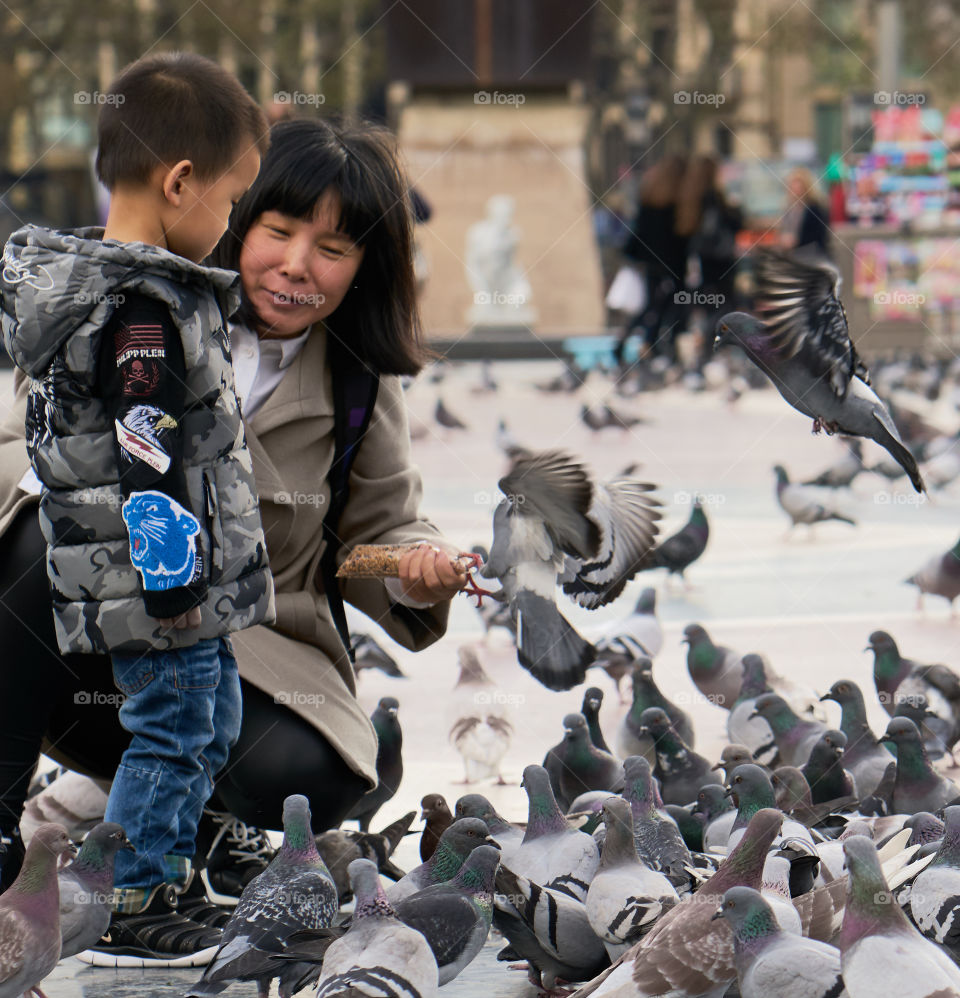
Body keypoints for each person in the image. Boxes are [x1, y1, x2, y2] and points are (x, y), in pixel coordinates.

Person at [0, 111, 467, 963]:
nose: (296, 266)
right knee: (36, 534)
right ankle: (16, 828)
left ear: (368, 265)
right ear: (232, 219)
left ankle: (199, 825)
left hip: (249, 646)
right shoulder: (136, 312)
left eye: (332, 248)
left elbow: (375, 533)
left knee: (306, 776)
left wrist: (412, 569)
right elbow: (16, 444)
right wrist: (89, 484)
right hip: (97, 630)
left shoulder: (357, 376)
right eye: (277, 230)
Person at [0, 51, 274, 963]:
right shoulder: (143, 310)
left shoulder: (99, 293)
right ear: (181, 181)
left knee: (207, 721)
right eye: (233, 202)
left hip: (137, 575)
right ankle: (139, 893)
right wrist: (171, 582)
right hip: (156, 583)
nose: (231, 223)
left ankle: (163, 865)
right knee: (176, 728)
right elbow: (145, 452)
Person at [615, 154, 690, 366]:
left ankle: (637, 342)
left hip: (650, 263)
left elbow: (639, 233)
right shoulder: (676, 203)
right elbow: (676, 241)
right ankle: (652, 345)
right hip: (671, 265)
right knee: (667, 305)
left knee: (650, 306)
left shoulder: (649, 198)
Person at [780, 166, 830, 257]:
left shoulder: (815, 209)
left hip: (812, 257)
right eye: (792, 188)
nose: (795, 192)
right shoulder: (789, 209)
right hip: (794, 257)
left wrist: (795, 241)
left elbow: (819, 238)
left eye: (799, 188)